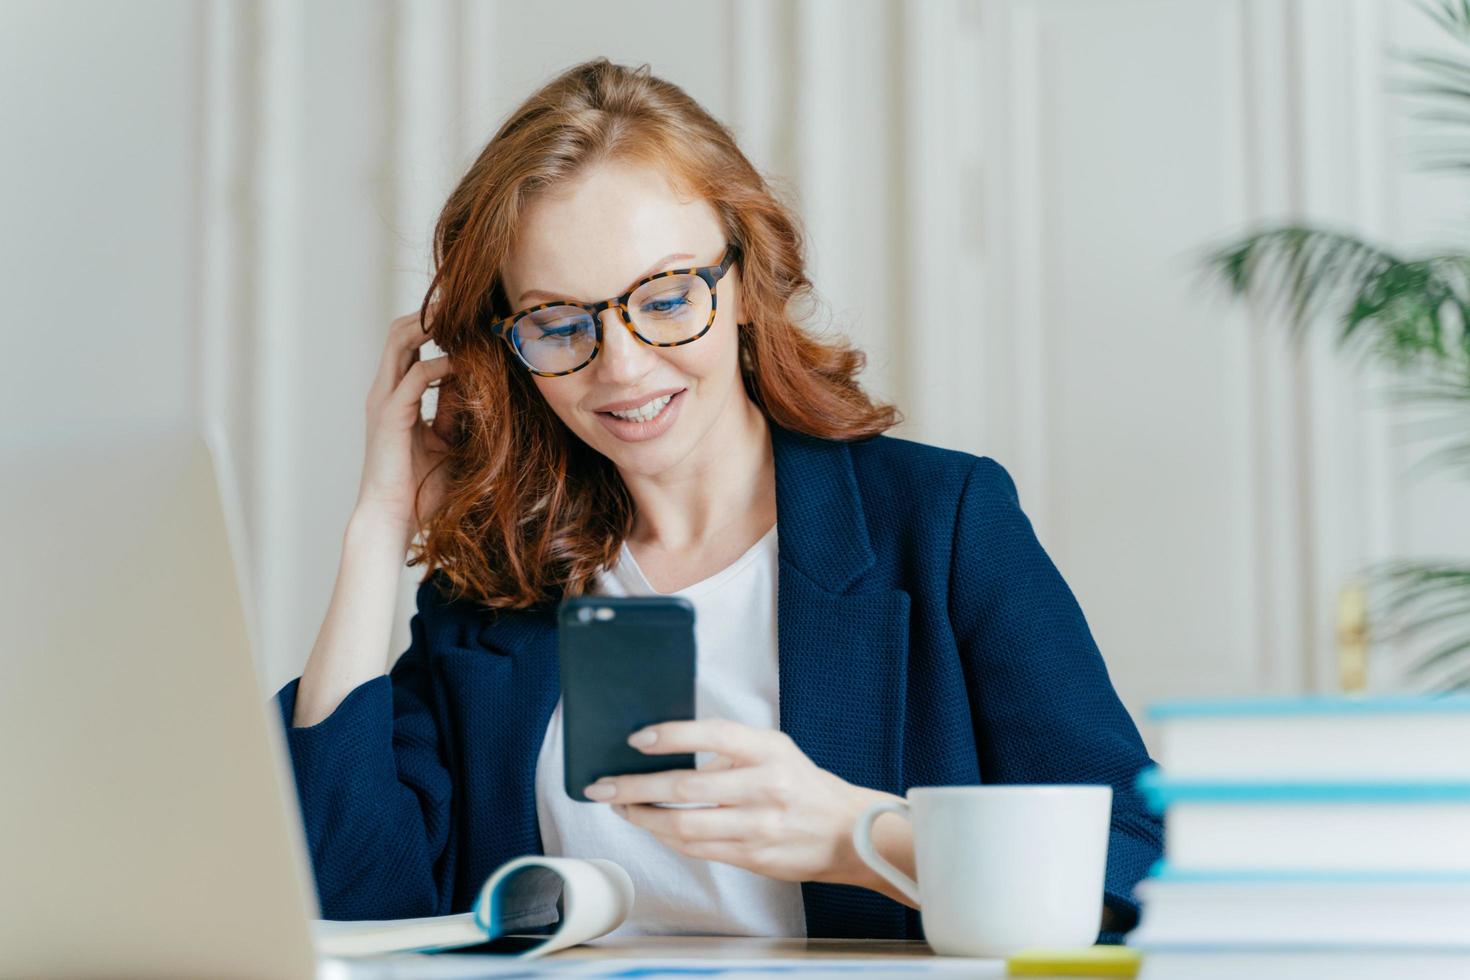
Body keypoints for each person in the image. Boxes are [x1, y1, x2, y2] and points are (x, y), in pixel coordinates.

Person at [274, 57, 1162, 944]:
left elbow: (1137, 858)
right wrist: (377, 525)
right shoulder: (499, 585)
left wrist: (857, 837)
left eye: (665, 299)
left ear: (746, 282)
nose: (621, 366)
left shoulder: (941, 523)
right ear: (506, 345)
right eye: (556, 322)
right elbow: (355, 905)